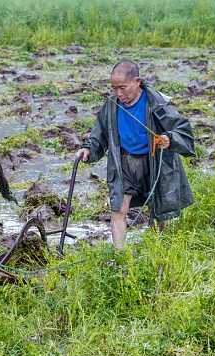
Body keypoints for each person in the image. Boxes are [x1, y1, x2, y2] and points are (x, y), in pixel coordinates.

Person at [76, 59, 195, 249]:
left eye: (122, 87)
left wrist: (169, 139)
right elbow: (100, 133)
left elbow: (183, 130)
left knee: (159, 212)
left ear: (137, 81)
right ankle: (120, 257)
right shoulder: (111, 105)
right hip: (124, 162)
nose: (118, 93)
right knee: (118, 210)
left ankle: (159, 252)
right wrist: (89, 148)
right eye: (114, 88)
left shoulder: (157, 103)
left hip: (154, 162)